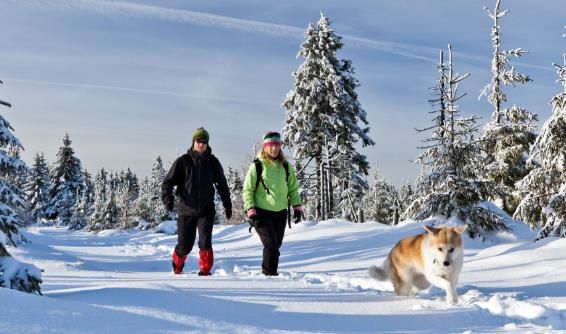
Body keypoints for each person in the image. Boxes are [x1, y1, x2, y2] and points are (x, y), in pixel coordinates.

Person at [162, 127, 232, 276]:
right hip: (186, 210)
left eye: (204, 142)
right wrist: (168, 199)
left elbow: (222, 184)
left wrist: (228, 204)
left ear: (207, 144)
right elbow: (168, 182)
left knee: (205, 242)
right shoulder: (183, 161)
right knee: (184, 246)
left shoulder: (212, 162)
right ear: (193, 142)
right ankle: (177, 264)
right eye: (199, 141)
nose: (201, 144)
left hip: (206, 209)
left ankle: (205, 271)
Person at [243, 131, 302, 276]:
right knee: (270, 244)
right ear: (265, 147)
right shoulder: (257, 166)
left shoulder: (286, 167)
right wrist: (251, 210)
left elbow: (293, 188)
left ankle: (270, 273)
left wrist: (297, 207)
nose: (274, 149)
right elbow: (247, 190)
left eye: (277, 145)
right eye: (270, 145)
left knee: (276, 244)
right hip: (261, 212)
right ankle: (269, 275)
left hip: (281, 212)